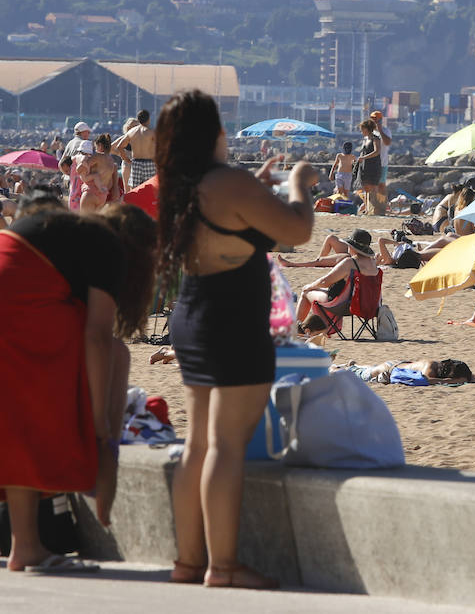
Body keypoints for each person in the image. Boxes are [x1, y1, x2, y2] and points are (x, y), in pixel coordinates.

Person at [0, 201, 156, 573]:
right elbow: (100, 337)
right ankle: (99, 466)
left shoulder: (69, 233)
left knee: (23, 418)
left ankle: (26, 546)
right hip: (5, 300)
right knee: (113, 357)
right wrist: (102, 431)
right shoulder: (108, 246)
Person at [158, 90, 316, 589]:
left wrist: (257, 187)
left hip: (193, 312)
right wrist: (298, 184)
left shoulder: (180, 183)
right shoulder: (226, 181)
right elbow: (297, 230)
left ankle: (188, 561)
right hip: (232, 319)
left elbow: (228, 217)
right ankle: (222, 567)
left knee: (197, 443)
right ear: (215, 133)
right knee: (226, 446)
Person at [293, 230, 381, 326]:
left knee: (306, 292)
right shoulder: (373, 264)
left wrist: (310, 286)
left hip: (344, 305)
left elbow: (325, 281)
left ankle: (295, 327)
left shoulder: (350, 263)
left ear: (352, 246)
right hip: (369, 305)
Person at [335, 357, 475, 385]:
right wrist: (450, 381)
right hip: (387, 370)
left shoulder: (438, 366)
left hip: (395, 365)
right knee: (360, 374)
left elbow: (471, 376)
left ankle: (354, 364)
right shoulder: (430, 367)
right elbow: (425, 380)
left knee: (366, 369)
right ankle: (336, 368)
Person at [113, 109, 157, 188]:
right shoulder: (151, 132)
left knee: (134, 189)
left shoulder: (132, 132)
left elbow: (119, 146)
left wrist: (125, 158)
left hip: (136, 163)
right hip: (149, 162)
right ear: (149, 119)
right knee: (150, 188)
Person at [76, 134, 119, 213]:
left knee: (84, 222)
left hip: (90, 193)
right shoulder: (112, 161)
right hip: (102, 196)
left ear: (100, 145)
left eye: (96, 147)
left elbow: (80, 169)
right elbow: (111, 184)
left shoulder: (97, 157)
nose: (95, 150)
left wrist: (80, 160)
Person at [355, 120, 383, 215]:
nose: (361, 131)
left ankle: (375, 209)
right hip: (365, 166)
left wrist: (364, 157)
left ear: (367, 129)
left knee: (373, 188)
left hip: (373, 166)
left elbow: (377, 151)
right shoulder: (366, 139)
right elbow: (364, 152)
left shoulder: (375, 139)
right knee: (366, 188)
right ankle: (368, 209)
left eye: (362, 129)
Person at [371, 111, 393, 202]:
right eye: (373, 119)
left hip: (382, 162)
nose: (374, 121)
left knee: (381, 185)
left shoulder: (386, 130)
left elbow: (387, 142)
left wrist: (380, 130)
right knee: (372, 185)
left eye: (376, 119)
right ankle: (373, 205)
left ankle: (382, 204)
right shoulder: (370, 132)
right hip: (371, 163)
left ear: (380, 120)